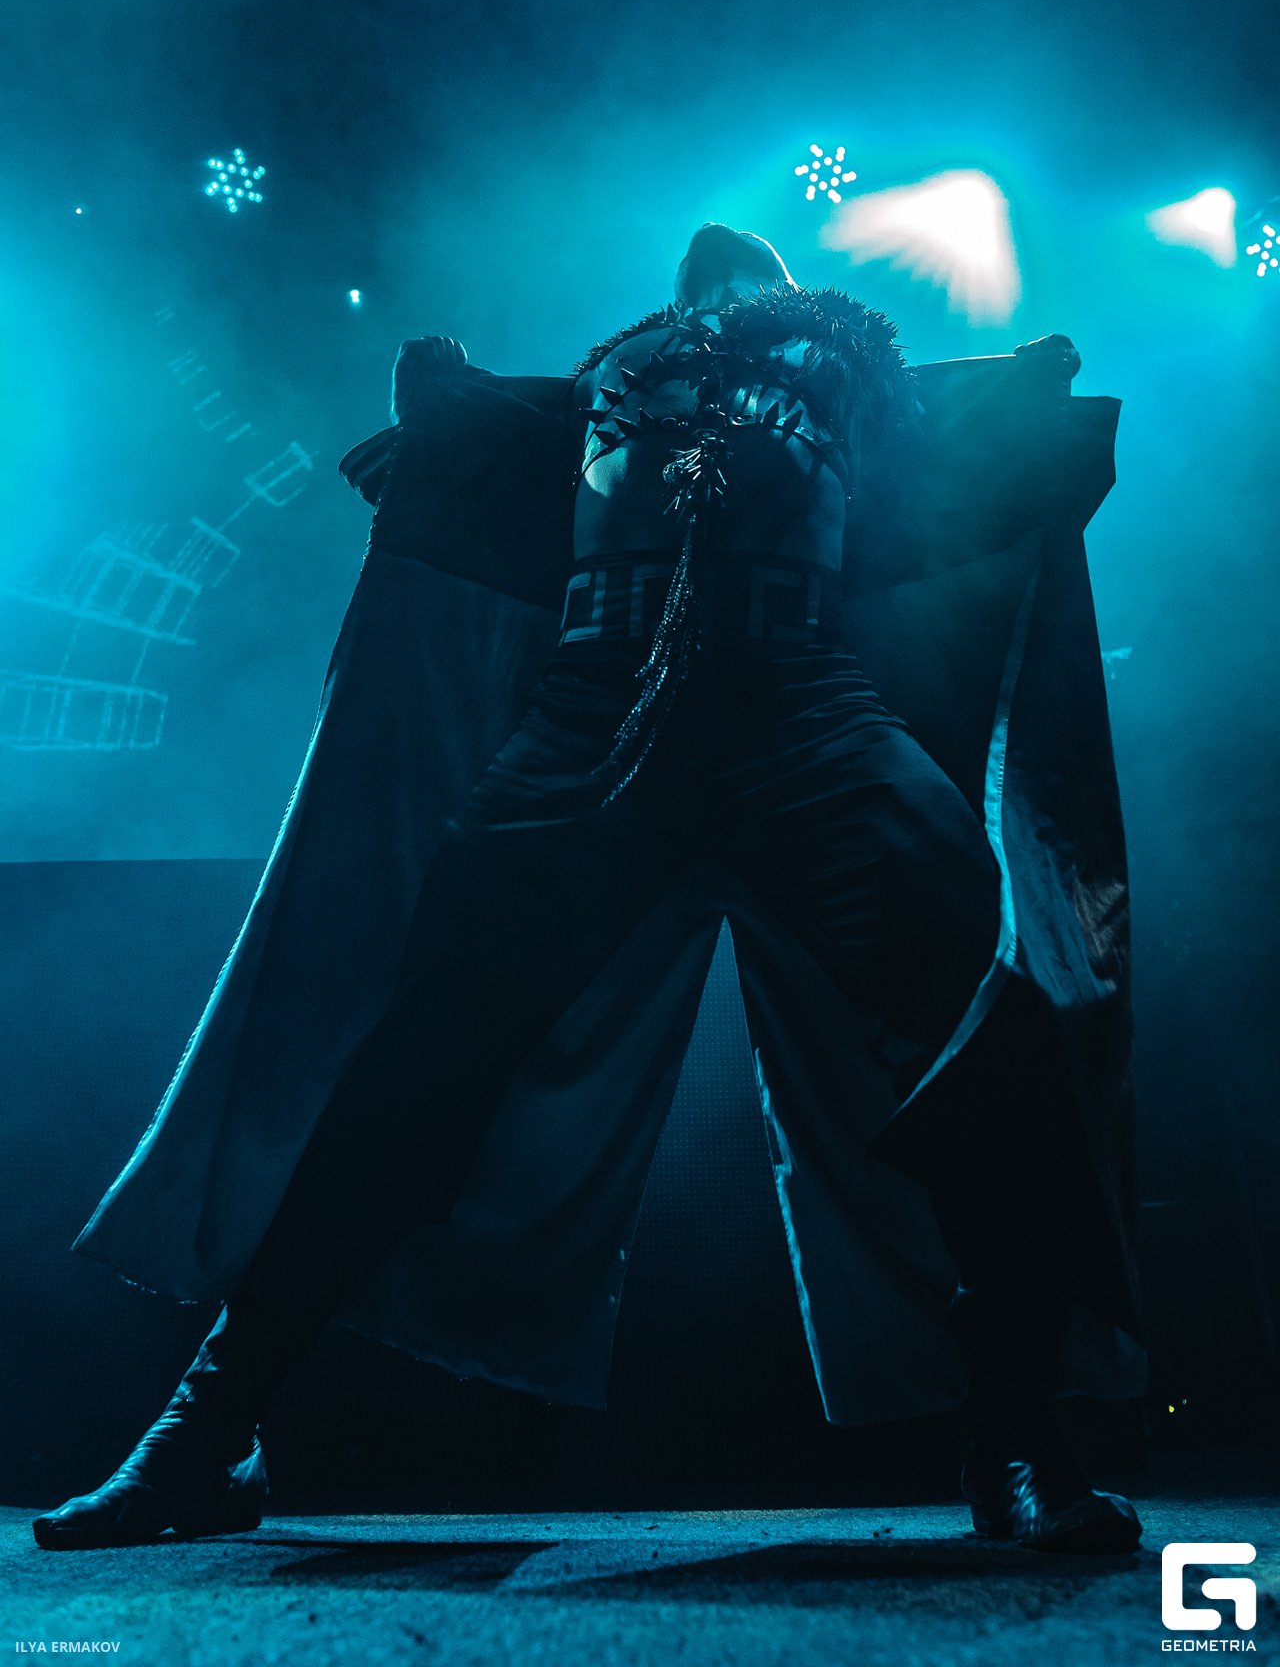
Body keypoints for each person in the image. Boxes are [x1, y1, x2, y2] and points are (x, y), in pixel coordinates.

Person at [34, 225, 1143, 1554]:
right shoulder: (610, 382)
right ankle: (206, 1431)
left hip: (800, 709)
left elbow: (946, 446)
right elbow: (505, 459)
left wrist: (1016, 393)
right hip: (595, 718)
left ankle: (1016, 1430)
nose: (719, 278)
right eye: (702, 280)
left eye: (748, 277)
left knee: (983, 1004)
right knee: (414, 1065)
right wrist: (448, 402)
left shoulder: (846, 364)